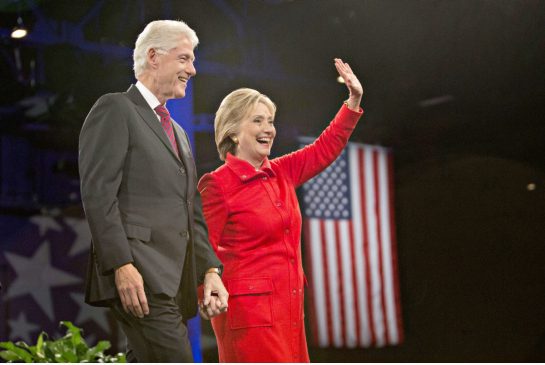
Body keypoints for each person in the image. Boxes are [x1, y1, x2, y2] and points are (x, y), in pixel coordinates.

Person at [79, 20, 228, 363]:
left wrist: (209, 271)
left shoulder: (177, 131)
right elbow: (98, 193)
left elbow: (189, 210)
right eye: (184, 58)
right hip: (140, 274)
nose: (193, 69)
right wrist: (121, 264)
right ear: (154, 57)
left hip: (174, 282)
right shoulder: (116, 108)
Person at [197, 58, 363, 362]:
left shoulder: (282, 172)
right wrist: (205, 291)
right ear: (233, 132)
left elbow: (324, 148)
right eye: (258, 121)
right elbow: (199, 245)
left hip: (289, 312)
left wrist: (352, 103)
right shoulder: (218, 184)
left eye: (271, 121)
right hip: (249, 319)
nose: (268, 129)